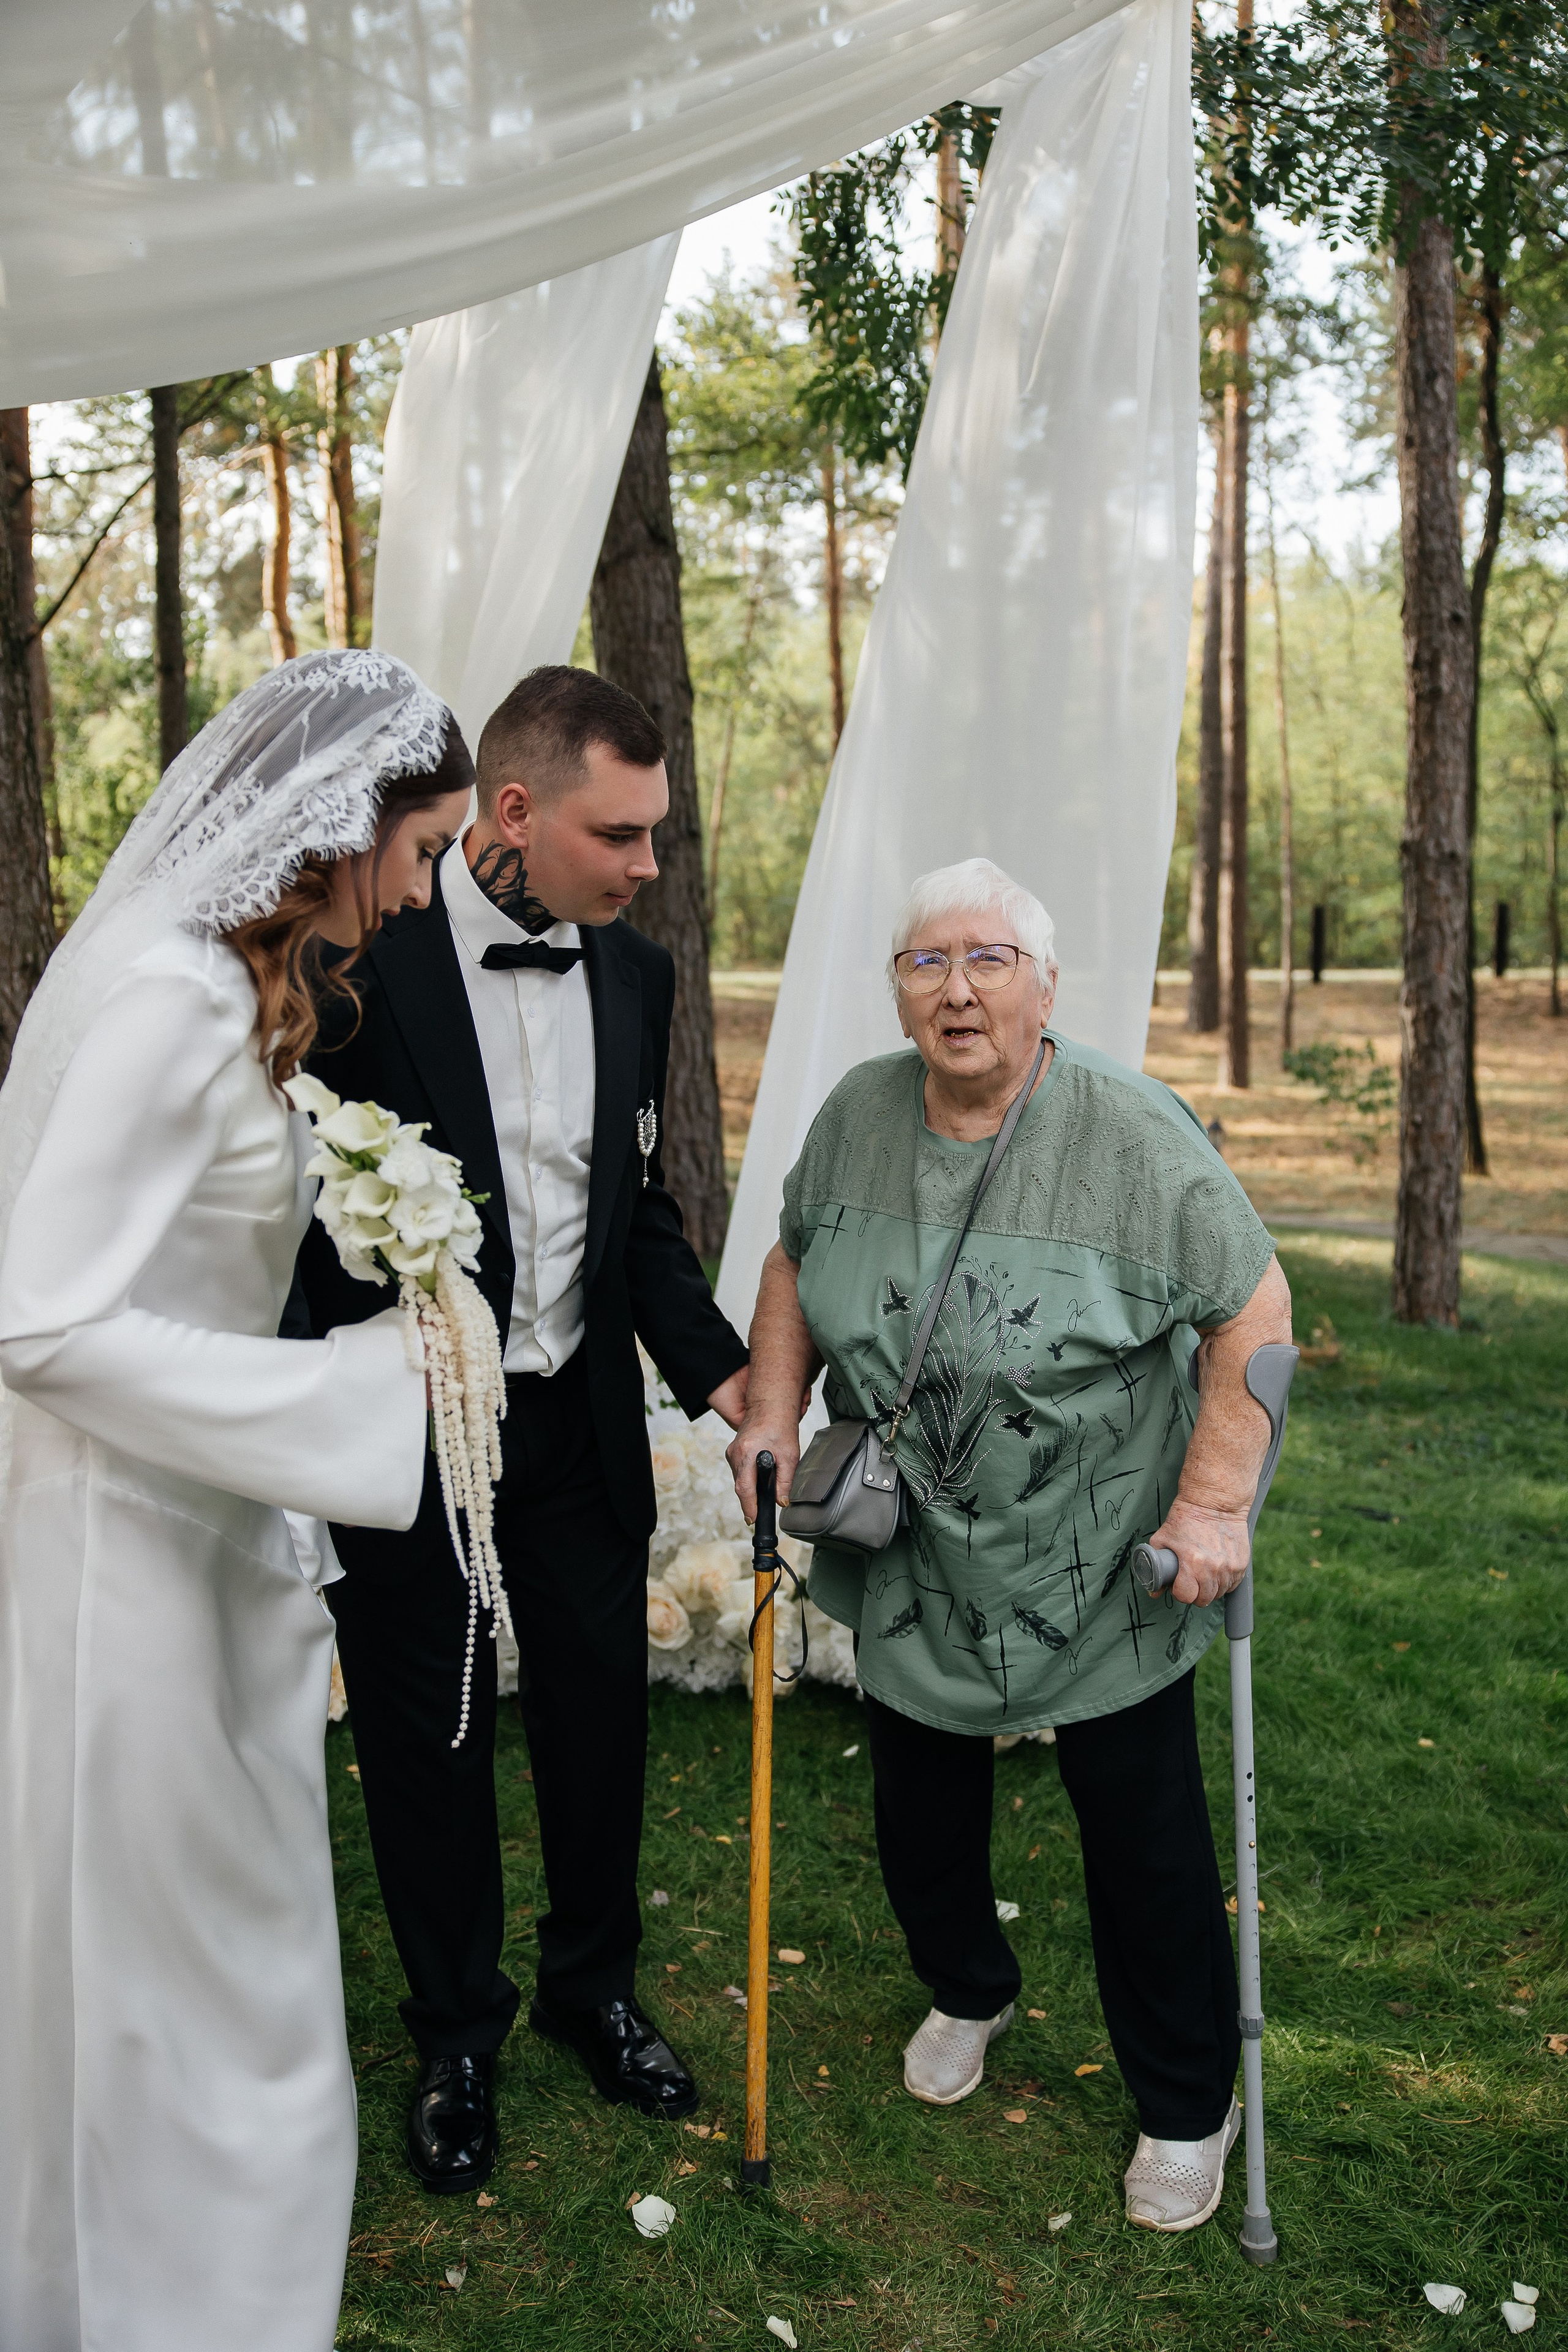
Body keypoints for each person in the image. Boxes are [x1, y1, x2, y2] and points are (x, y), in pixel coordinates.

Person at [0, 649, 474, 2352]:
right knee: (187, 1962)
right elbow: (39, 1313)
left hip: (184, 1522)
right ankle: (170, 2298)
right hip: (121, 1551)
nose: (418, 895)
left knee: (190, 1948)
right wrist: (350, 1402)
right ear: (335, 824)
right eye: (417, 851)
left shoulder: (197, 975)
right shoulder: (173, 994)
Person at [729, 856, 1292, 2236]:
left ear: (1043, 987)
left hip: (1097, 1557)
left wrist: (1212, 1503)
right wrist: (771, 1399)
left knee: (1140, 1835)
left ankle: (1181, 2101)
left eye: (989, 960)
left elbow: (1248, 1307)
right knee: (918, 1813)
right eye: (927, 963)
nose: (957, 989)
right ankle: (967, 1985)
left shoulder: (1130, 1134)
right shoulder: (861, 1113)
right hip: (912, 1541)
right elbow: (797, 1256)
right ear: (899, 992)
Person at [290, 663, 749, 2195]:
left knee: (600, 1726)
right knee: (434, 1735)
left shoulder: (640, 975)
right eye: (619, 835)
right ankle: (456, 2033)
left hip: (580, 1430)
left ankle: (591, 1993)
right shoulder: (369, 957)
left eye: (651, 837)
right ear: (511, 809)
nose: (643, 867)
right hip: (417, 1426)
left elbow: (642, 1214)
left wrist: (723, 1375)